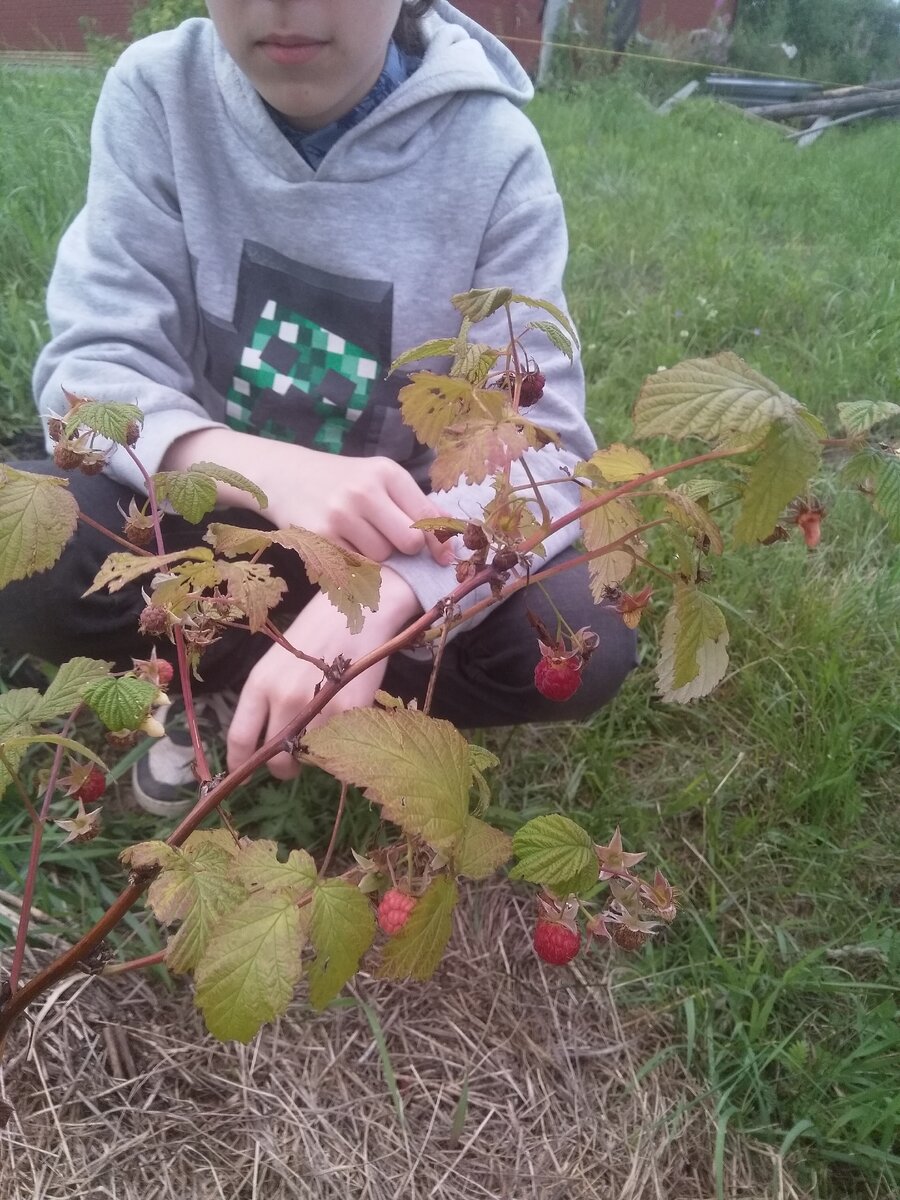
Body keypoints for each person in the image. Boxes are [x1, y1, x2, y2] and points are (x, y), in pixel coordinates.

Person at [0, 0, 637, 815]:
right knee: (26, 543)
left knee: (580, 634)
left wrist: (395, 594)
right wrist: (267, 471)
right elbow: (89, 375)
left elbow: (543, 452)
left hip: (409, 539)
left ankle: (349, 697)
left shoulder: (493, 151)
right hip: (206, 515)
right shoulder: (161, 95)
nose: (282, 6)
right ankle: (242, 684)